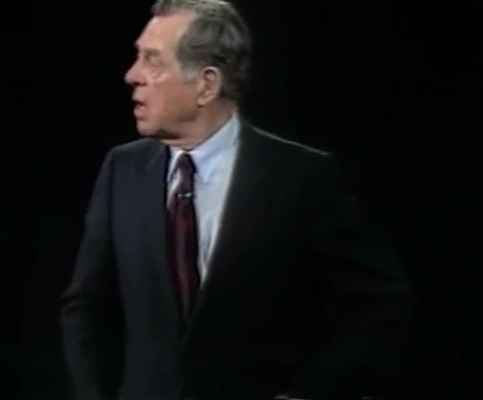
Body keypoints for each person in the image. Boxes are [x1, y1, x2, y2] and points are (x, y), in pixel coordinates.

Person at [60, 1, 413, 399]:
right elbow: (86, 307)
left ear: (206, 84)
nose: (132, 75)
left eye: (152, 60)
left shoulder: (303, 178)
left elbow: (378, 305)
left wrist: (308, 393)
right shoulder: (122, 169)